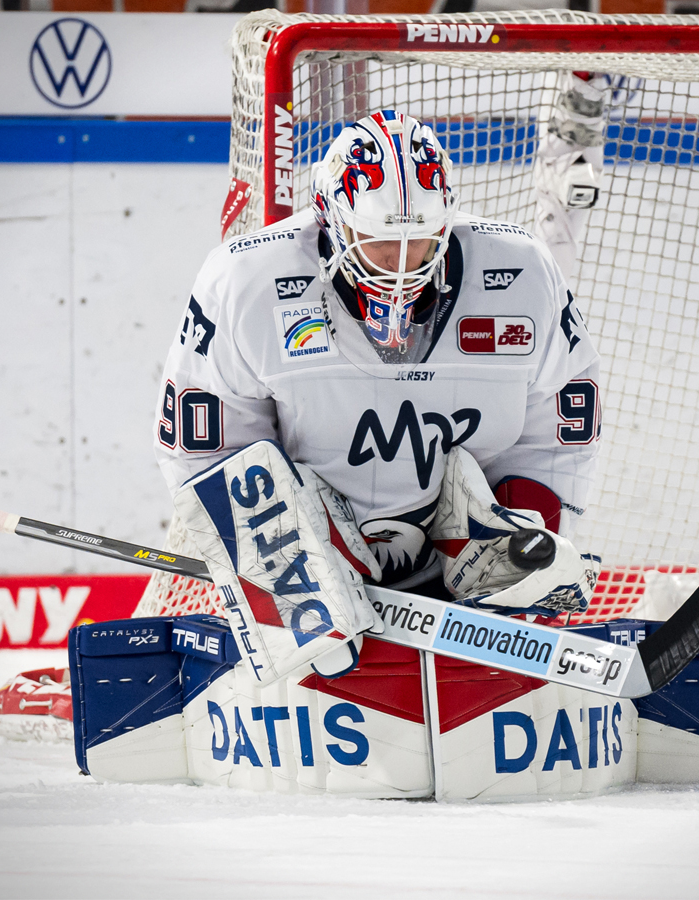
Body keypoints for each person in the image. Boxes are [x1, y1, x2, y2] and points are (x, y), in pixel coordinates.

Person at [151, 108, 602, 683]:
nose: (401, 264)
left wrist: (532, 530)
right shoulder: (245, 280)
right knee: (273, 505)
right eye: (380, 241)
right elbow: (204, 446)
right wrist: (288, 583)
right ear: (332, 220)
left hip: (459, 556)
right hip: (317, 553)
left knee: (534, 564)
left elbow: (561, 428)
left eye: (421, 242)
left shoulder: (523, 272)